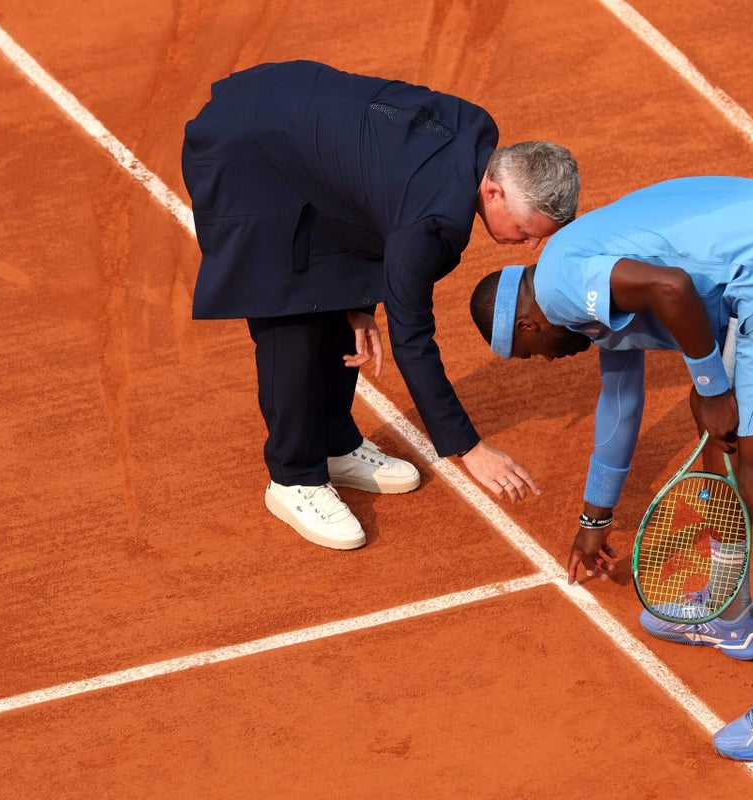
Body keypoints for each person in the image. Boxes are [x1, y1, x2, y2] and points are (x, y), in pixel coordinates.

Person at [469, 176, 753, 761]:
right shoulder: (585, 285)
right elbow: (621, 408)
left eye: (535, 355)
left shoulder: (557, 285)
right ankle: (730, 614)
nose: (548, 361)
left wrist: (709, 384)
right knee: (717, 441)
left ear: (527, 325)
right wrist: (595, 517)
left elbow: (672, 286)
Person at [181, 60, 579, 550]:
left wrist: (361, 298)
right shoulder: (429, 225)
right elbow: (413, 342)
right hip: (245, 155)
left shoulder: (476, 130)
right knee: (291, 306)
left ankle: (331, 443)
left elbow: (373, 193)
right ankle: (294, 476)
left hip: (295, 130)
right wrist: (471, 449)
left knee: (341, 296)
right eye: (526, 232)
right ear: (494, 191)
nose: (529, 248)